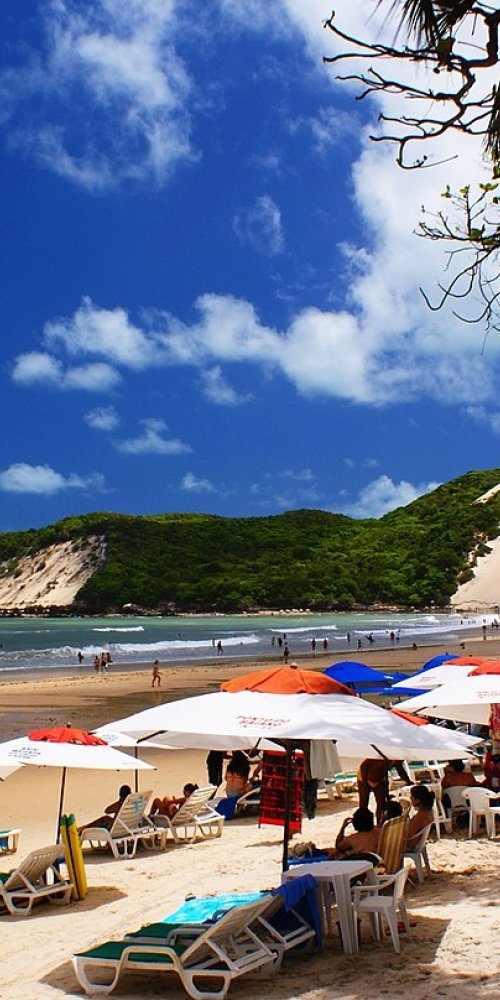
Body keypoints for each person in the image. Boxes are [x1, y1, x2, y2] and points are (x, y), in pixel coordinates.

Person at [357, 757, 410, 823]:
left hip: (380, 781)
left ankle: (380, 823)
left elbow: (400, 770)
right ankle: (362, 824)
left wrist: (409, 781)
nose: (401, 762)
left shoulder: (397, 761)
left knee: (381, 804)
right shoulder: (378, 757)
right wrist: (365, 783)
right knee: (363, 804)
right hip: (363, 778)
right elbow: (363, 766)